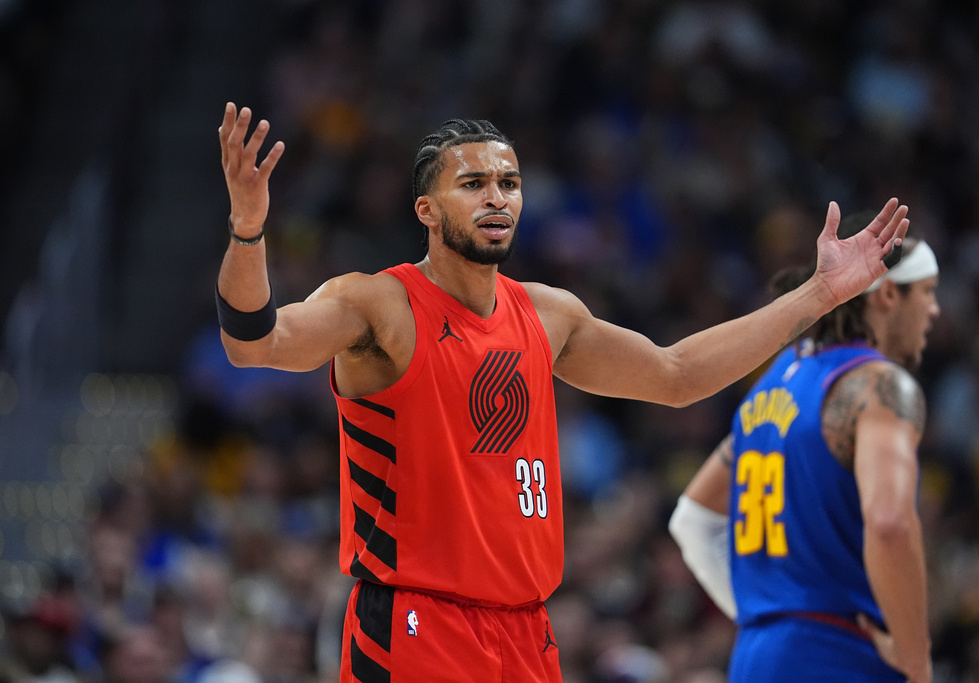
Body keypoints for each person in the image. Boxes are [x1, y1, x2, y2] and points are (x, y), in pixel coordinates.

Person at [215, 102, 908, 682]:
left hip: (526, 632)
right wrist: (249, 228)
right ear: (427, 209)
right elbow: (255, 343)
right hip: (416, 624)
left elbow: (677, 375)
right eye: (474, 183)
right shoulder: (377, 304)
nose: (497, 197)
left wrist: (820, 294)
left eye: (509, 182)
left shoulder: (549, 314)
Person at [668, 216, 939, 683]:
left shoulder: (772, 388)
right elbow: (891, 523)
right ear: (890, 296)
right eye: (929, 292)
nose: (935, 310)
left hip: (756, 658)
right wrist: (916, 658)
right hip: (840, 655)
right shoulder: (879, 385)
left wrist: (767, 617)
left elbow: (691, 520)